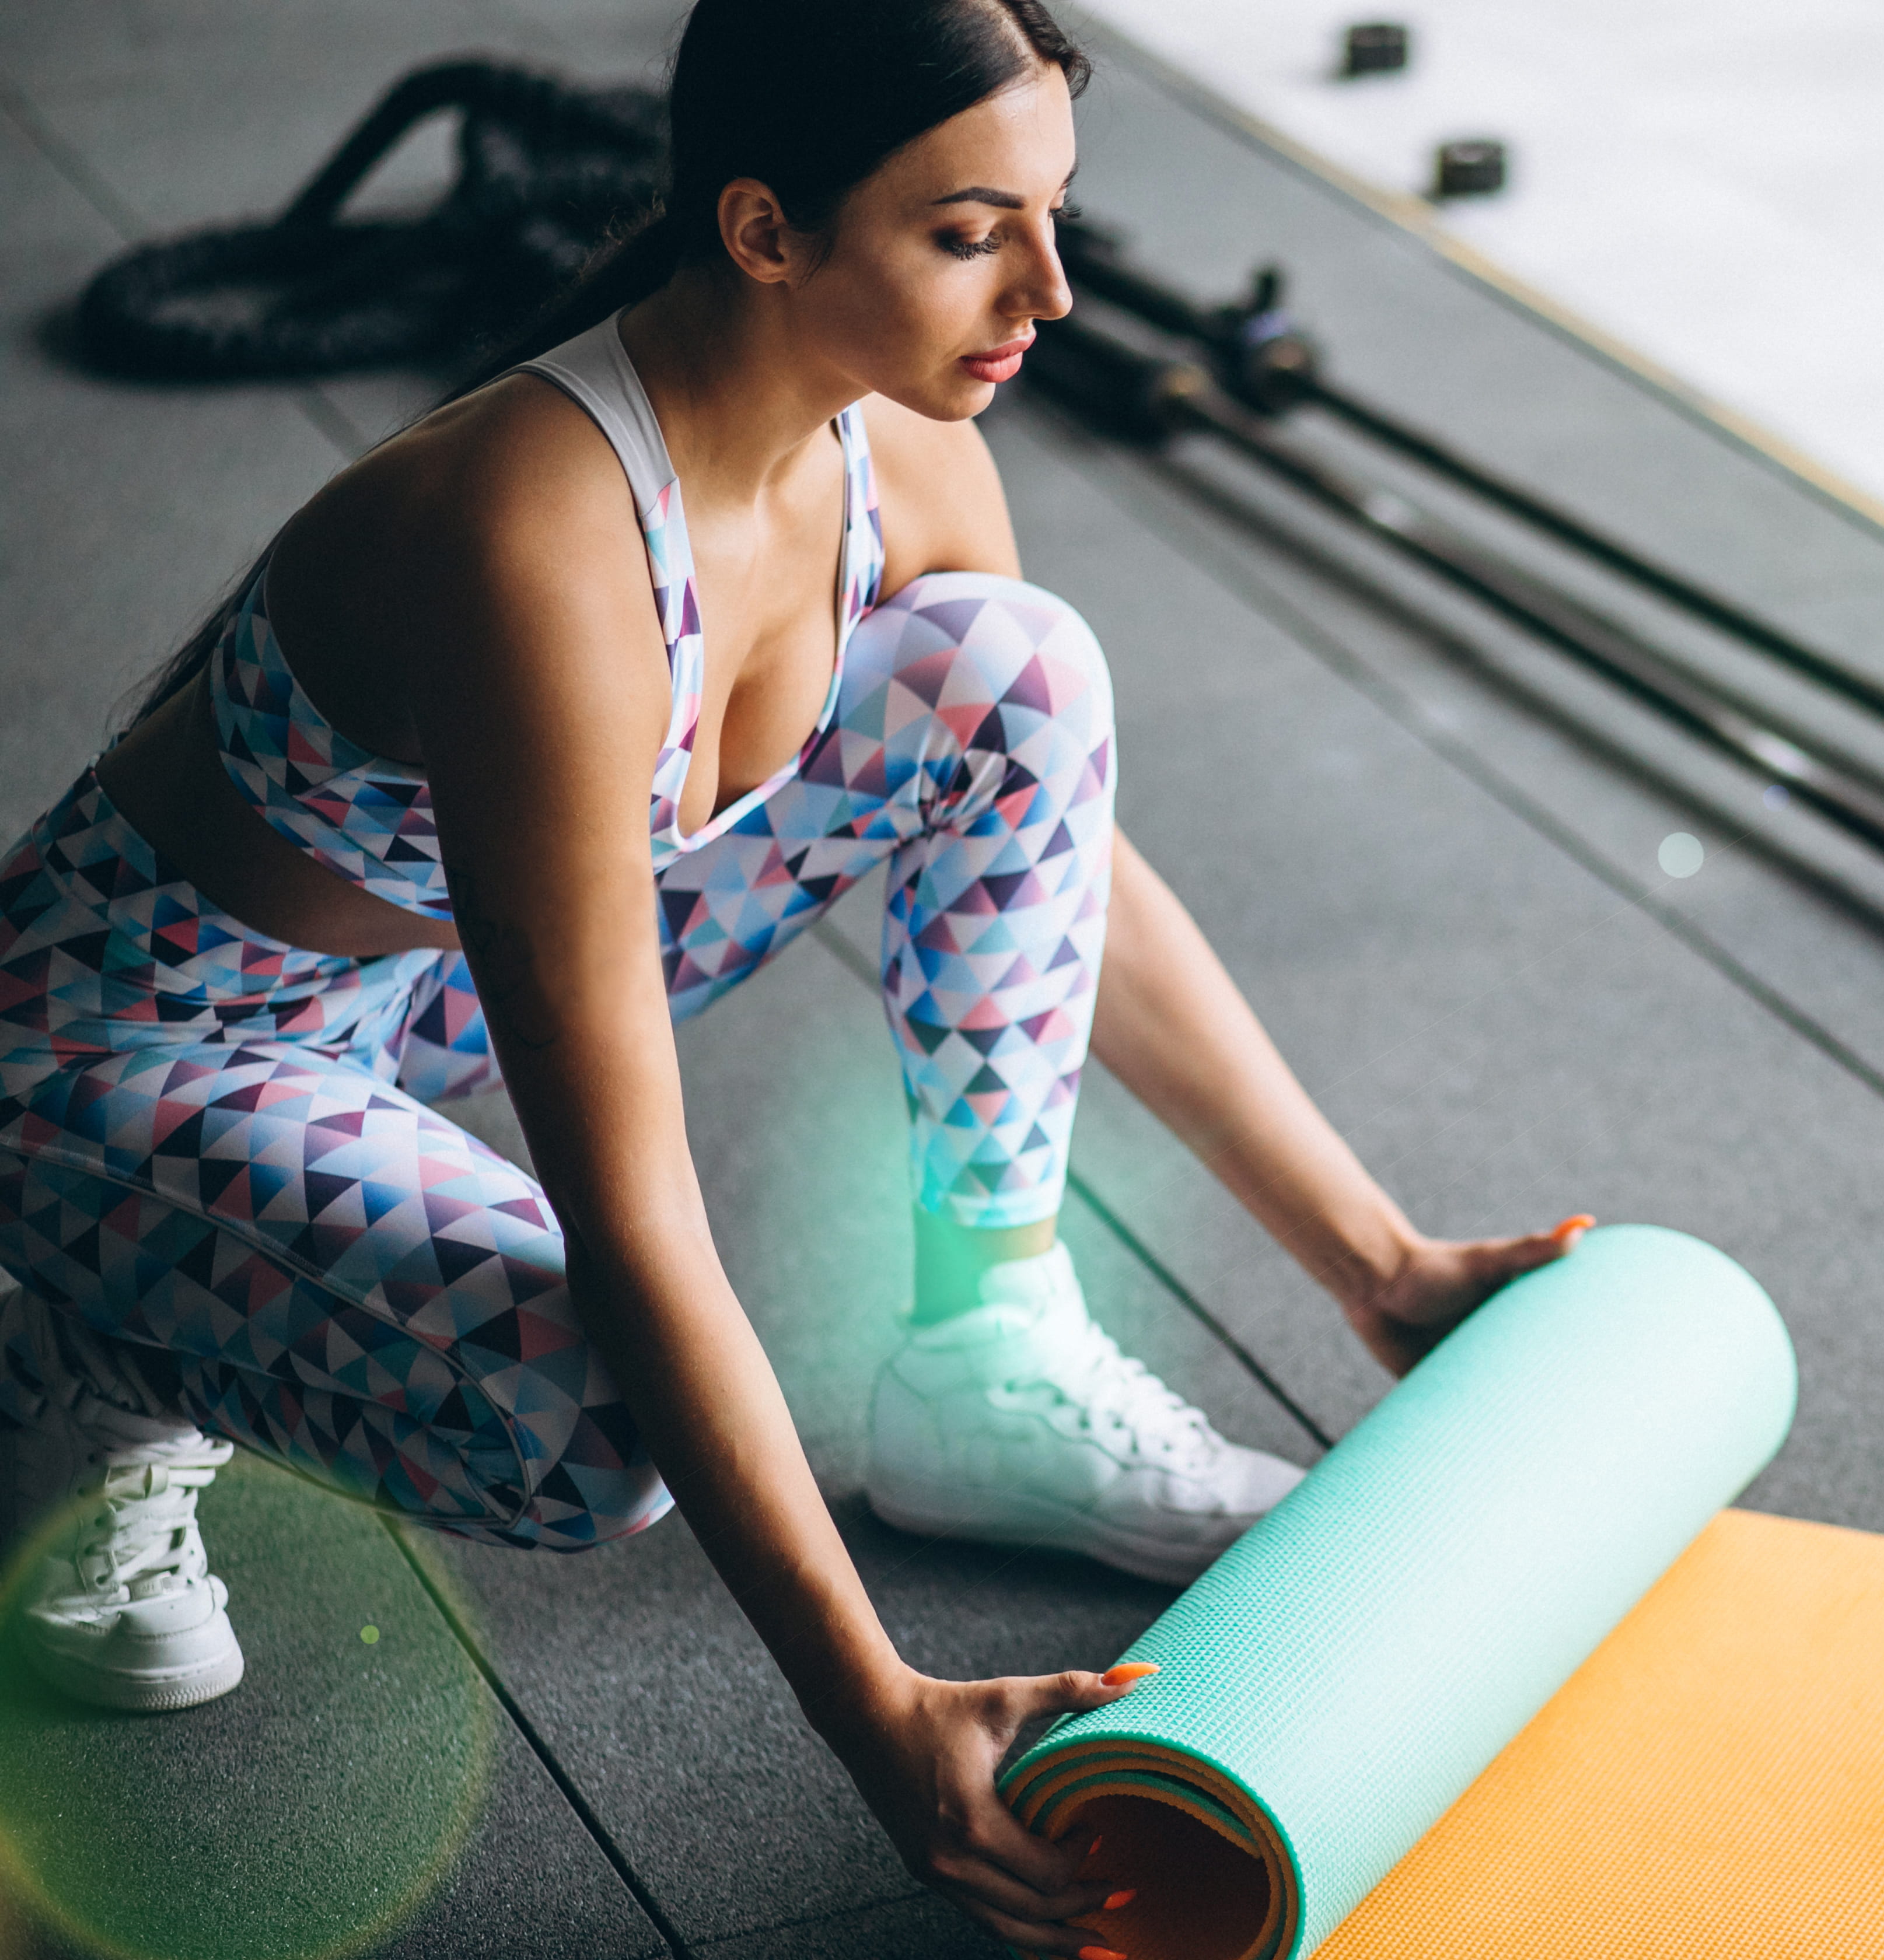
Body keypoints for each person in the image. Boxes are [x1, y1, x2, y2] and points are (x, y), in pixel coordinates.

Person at [0, 1, 1591, 1948]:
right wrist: (881, 1714)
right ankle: (83, 1329)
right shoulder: (538, 547)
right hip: (126, 1047)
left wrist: (1383, 1267)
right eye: (968, 231)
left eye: (1053, 217)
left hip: (401, 1007)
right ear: (764, 231)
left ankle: (987, 1354)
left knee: (1016, 668)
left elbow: (1060, 844)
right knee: (591, 1429)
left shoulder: (891, 448)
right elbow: (635, 1211)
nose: (1053, 291)